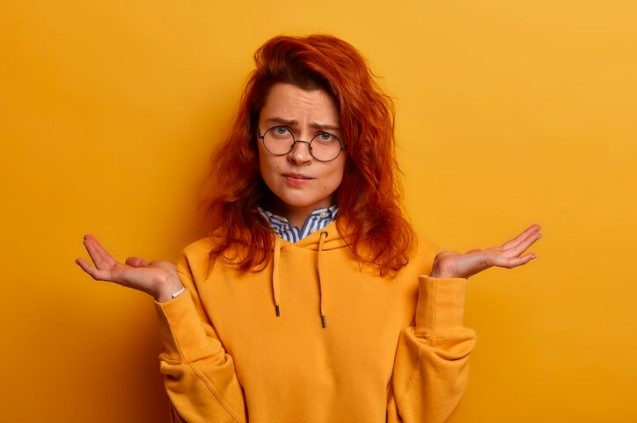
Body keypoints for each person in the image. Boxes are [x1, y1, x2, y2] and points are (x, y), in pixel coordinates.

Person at [76, 34, 541, 423]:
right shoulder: (198, 267)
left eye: (324, 135)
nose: (300, 155)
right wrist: (169, 297)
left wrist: (445, 287)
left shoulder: (410, 258)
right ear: (252, 140)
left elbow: (421, 414)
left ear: (353, 148)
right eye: (280, 130)